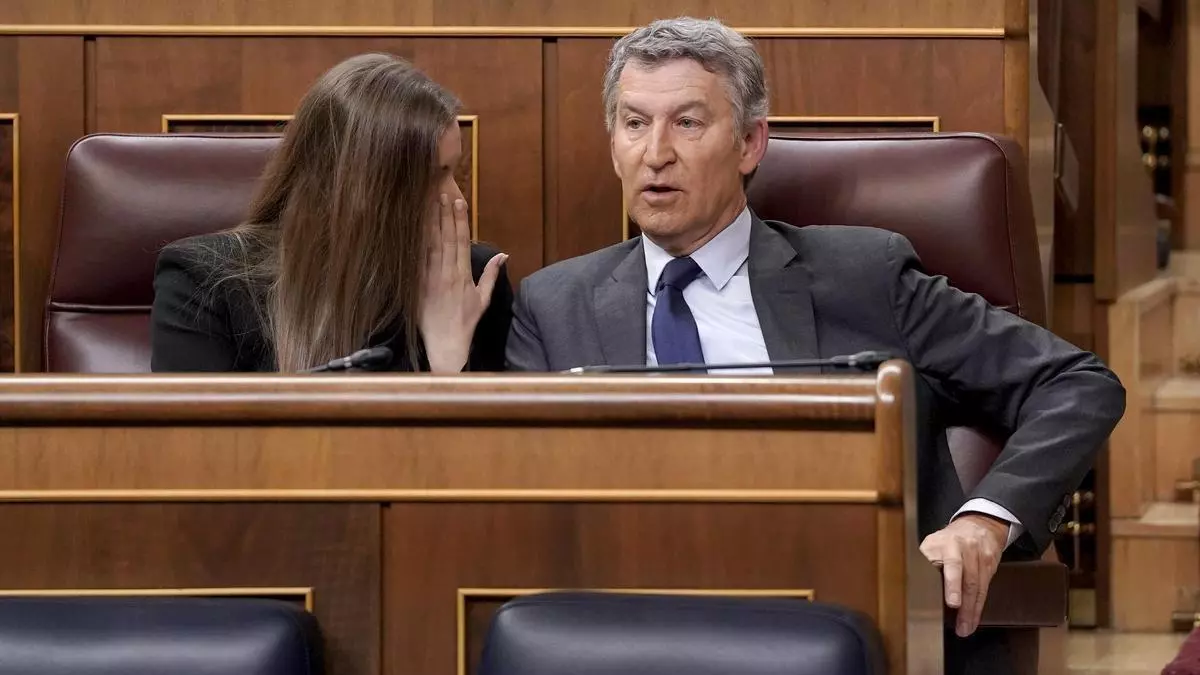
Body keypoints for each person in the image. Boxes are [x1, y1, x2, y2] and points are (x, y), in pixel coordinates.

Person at [504, 17, 1125, 674]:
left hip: (833, 612)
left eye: (687, 123)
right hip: (628, 621)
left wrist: (985, 521)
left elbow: (1075, 384)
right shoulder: (553, 305)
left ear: (750, 143)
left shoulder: (863, 276)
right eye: (634, 123)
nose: (656, 153)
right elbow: (510, 497)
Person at [151, 53, 511, 373]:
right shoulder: (205, 283)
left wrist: (448, 361)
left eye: (453, 171)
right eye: (431, 177)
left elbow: (494, 429)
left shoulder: (473, 278)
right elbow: (199, 430)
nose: (457, 199)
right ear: (357, 187)